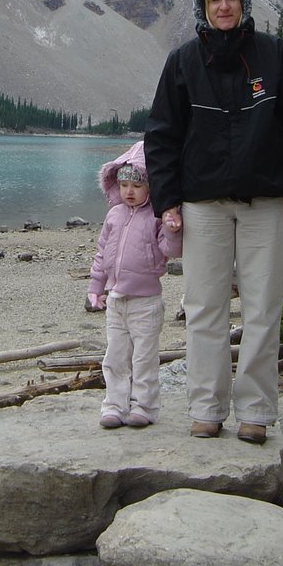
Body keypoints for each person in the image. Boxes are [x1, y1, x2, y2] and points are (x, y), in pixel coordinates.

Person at [144, 0, 283, 444]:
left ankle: (256, 412)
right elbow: (161, 137)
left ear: (243, 4)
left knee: (263, 307)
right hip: (203, 204)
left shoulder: (275, 56)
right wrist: (167, 202)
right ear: (203, 9)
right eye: (214, 1)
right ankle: (206, 408)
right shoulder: (183, 61)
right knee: (203, 306)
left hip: (269, 201)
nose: (224, 7)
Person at [87, 140, 182, 429]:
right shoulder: (114, 215)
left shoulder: (156, 216)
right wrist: (95, 285)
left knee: (144, 358)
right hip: (116, 299)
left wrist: (171, 227)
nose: (129, 191)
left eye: (137, 185)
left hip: (146, 302)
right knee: (115, 356)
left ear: (151, 186)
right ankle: (114, 405)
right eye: (125, 184)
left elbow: (172, 250)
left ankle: (144, 406)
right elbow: (102, 252)